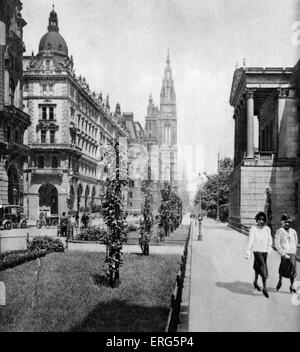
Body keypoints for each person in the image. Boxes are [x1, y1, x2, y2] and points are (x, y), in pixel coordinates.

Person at [245, 211, 273, 298]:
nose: (261, 221)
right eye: (260, 219)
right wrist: (248, 251)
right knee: (263, 268)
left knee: (258, 266)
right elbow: (250, 240)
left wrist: (269, 248)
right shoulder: (253, 228)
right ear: (257, 219)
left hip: (264, 251)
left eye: (263, 220)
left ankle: (255, 281)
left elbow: (270, 240)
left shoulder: (267, 229)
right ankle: (265, 288)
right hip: (257, 251)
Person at [274, 214, 298, 294]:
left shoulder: (293, 231)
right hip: (285, 253)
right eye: (285, 222)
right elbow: (277, 244)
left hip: (292, 253)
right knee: (283, 268)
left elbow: (296, 241)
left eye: (288, 222)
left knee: (293, 268)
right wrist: (283, 253)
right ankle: (280, 281)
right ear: (282, 222)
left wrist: (294, 250)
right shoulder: (279, 231)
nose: (287, 224)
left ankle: (292, 285)